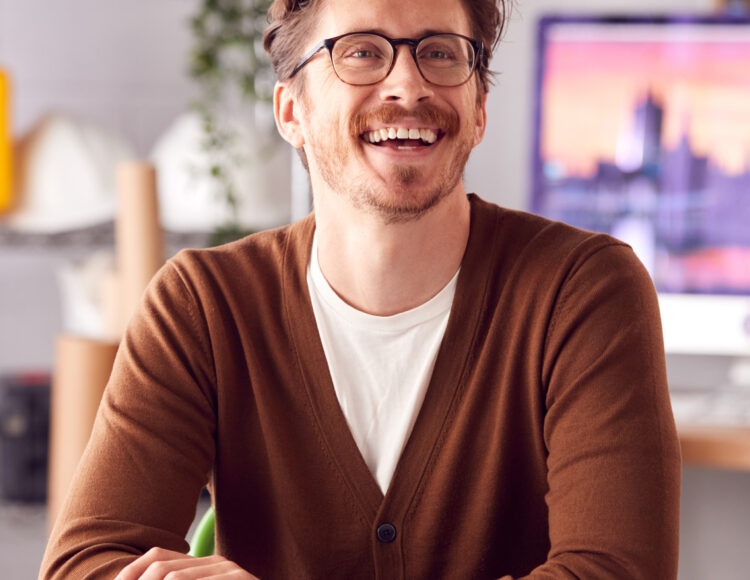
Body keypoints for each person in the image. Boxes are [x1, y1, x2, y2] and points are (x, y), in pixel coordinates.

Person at [40, 0, 681, 577]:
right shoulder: (204, 306)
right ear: (292, 110)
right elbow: (84, 563)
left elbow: (616, 573)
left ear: (479, 108)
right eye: (362, 53)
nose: (408, 84)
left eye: (439, 53)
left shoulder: (583, 290)